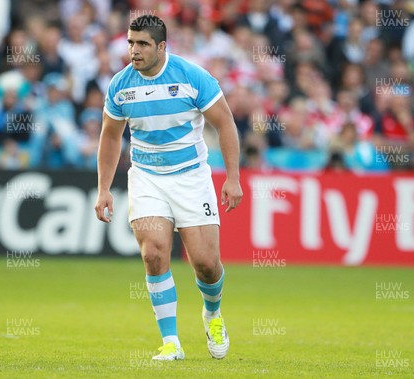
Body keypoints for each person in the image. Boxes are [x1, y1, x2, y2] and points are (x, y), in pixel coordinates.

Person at [94, 15, 242, 361]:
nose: (134, 50)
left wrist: (232, 177)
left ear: (162, 46)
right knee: (154, 252)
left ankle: (213, 313)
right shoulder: (120, 85)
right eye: (131, 43)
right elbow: (111, 135)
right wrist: (103, 188)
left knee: (205, 263)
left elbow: (225, 122)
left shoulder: (192, 77)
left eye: (143, 44)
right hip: (146, 178)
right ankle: (171, 342)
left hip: (191, 178)